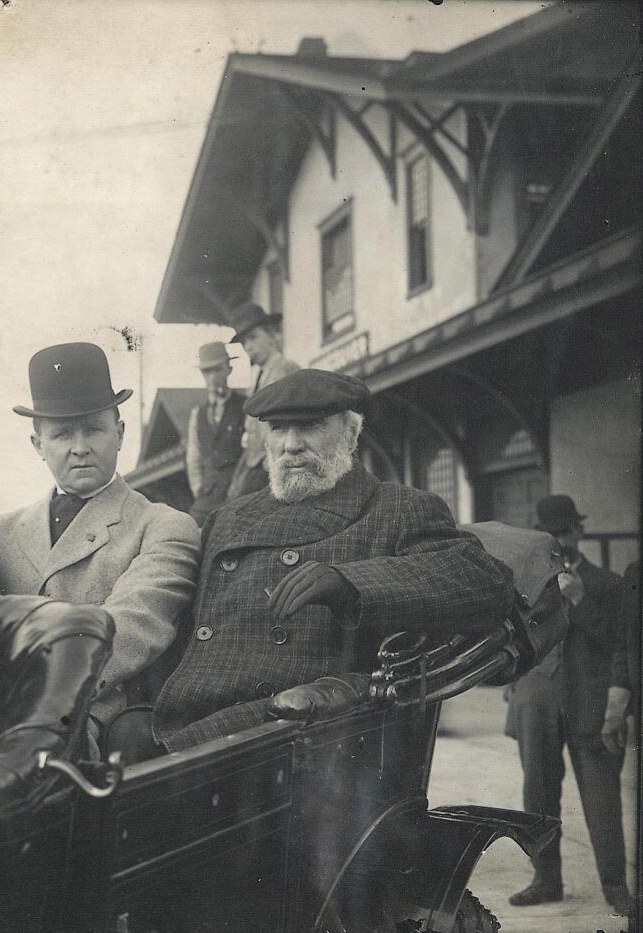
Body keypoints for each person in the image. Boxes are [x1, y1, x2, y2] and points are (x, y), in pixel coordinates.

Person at [154, 368, 515, 751]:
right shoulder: (226, 519)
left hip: (288, 737)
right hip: (180, 714)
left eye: (310, 426)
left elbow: (484, 581)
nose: (291, 445)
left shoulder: (396, 508)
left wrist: (351, 583)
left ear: (350, 433)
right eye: (277, 429)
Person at [0, 342, 199, 755]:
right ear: (37, 444)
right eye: (62, 433)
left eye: (94, 429)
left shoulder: (163, 526)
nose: (80, 446)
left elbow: (134, 621)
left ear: (119, 433)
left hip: (95, 720)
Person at [504, 495, 633, 917]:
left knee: (602, 799)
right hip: (536, 701)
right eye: (552, 533)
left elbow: (621, 645)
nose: (561, 540)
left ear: (579, 531)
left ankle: (616, 888)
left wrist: (579, 600)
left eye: (567, 531)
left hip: (590, 704)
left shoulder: (610, 584)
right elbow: (511, 638)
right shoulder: (524, 581)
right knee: (538, 795)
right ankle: (546, 880)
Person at [224, 302, 299, 501]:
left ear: (272, 334)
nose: (248, 347)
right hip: (255, 461)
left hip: (273, 462)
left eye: (253, 338)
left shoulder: (285, 369)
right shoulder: (258, 376)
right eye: (243, 343)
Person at [184, 341, 243, 526]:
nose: (213, 377)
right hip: (207, 499)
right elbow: (194, 459)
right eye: (207, 371)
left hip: (238, 493)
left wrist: (240, 487)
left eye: (218, 369)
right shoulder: (198, 414)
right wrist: (200, 489)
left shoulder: (246, 407)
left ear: (229, 369)